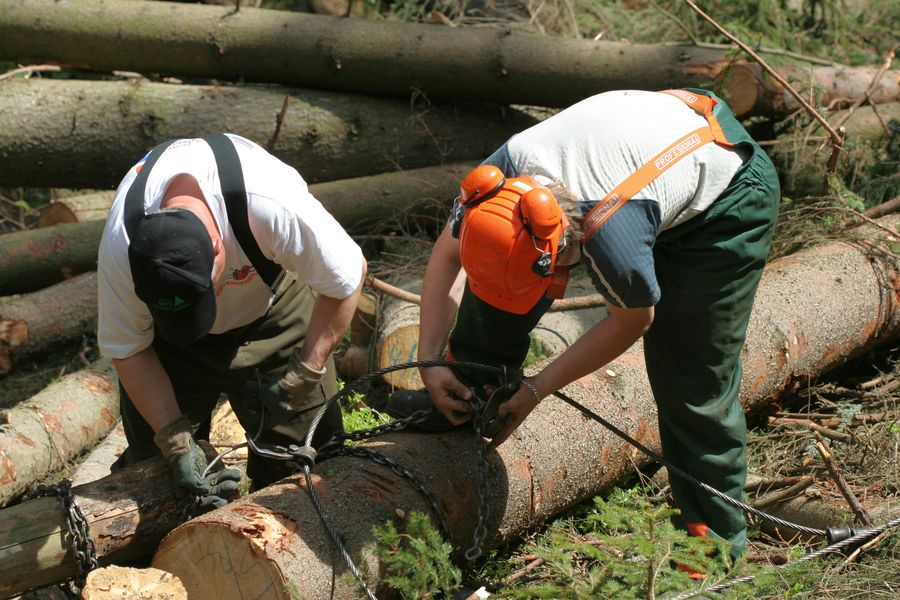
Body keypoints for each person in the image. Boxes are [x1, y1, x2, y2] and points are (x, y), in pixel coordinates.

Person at [385, 88, 780, 566]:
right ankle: (466, 401)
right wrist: (430, 359)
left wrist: (536, 389)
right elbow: (447, 254)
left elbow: (632, 322)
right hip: (648, 150)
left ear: (565, 247)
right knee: (492, 304)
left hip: (725, 196)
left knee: (691, 379)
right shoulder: (494, 185)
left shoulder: (614, 237)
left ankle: (709, 548)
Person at [98, 133, 367, 506]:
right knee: (159, 480)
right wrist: (174, 441)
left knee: (307, 464)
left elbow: (347, 276)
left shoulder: (268, 203)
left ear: (219, 246)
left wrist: (308, 366)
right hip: (172, 348)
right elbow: (128, 349)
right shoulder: (123, 245)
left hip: (272, 312)